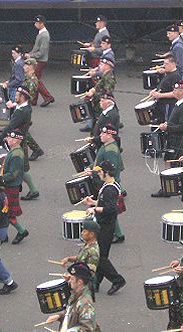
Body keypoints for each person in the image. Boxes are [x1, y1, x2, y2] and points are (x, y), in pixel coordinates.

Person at [84, 161, 126, 295]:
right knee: (101, 256)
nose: (99, 174)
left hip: (106, 226)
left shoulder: (110, 189)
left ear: (106, 173)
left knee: (100, 257)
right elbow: (106, 202)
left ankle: (117, 280)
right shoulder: (109, 186)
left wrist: (94, 209)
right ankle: (96, 282)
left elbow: (111, 209)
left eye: (100, 172)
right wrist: (94, 202)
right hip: (105, 224)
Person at [0, 86, 40, 201]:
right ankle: (33, 190)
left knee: (16, 167)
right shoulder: (24, 107)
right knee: (19, 167)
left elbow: (10, 126)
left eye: (17, 95)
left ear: (23, 97)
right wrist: (12, 106)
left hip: (16, 141)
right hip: (19, 139)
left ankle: (30, 190)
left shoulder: (22, 112)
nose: (15, 97)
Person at [151, 81, 183, 198]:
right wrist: (167, 124)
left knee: (174, 163)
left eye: (175, 90)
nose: (173, 92)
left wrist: (168, 127)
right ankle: (169, 186)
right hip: (174, 138)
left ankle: (170, 188)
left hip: (178, 139)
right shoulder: (180, 104)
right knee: (170, 161)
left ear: (181, 92)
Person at [87, 125, 125, 243]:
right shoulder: (106, 146)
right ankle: (117, 233)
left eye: (103, 134)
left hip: (107, 182)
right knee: (108, 206)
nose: (100, 136)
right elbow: (99, 162)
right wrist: (91, 168)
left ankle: (117, 234)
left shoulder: (111, 150)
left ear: (110, 135)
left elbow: (109, 169)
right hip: (103, 179)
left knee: (109, 208)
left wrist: (93, 173)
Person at [0, 128, 30, 244]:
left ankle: (21, 231)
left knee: (8, 212)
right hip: (9, 185)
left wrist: (1, 178)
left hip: (11, 186)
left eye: (10, 137)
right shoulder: (14, 150)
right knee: (5, 211)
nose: (7, 139)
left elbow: (14, 173)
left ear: (17, 140)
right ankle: (4, 235)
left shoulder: (17, 154)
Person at [45, 263, 101, 331]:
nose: (69, 281)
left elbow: (87, 328)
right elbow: (71, 312)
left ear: (79, 282)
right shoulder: (75, 293)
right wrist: (59, 316)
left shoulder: (85, 303)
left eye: (72, 279)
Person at [24, 15, 54, 107]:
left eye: (37, 23)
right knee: (35, 79)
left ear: (42, 24)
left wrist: (30, 55)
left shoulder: (44, 35)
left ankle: (48, 97)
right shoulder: (42, 33)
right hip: (39, 59)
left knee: (36, 80)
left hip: (40, 60)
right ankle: (33, 99)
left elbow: (42, 51)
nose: (35, 24)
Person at [80, 58, 116, 132]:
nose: (99, 66)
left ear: (107, 66)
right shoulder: (105, 75)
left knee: (100, 120)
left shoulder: (109, 77)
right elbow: (100, 86)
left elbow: (107, 91)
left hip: (102, 101)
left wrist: (94, 93)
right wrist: (93, 90)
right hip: (99, 100)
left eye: (102, 64)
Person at [21, 57, 45, 162]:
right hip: (23, 106)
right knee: (21, 130)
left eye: (26, 65)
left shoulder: (32, 80)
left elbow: (29, 95)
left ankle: (36, 149)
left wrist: (17, 102)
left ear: (31, 67)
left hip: (25, 107)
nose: (24, 67)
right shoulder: (27, 78)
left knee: (22, 131)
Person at [149, 54, 181, 124]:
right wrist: (155, 90)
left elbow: (176, 93)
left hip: (168, 104)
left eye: (166, 64)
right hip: (161, 103)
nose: (164, 65)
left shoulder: (176, 76)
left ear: (173, 64)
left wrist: (159, 95)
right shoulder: (168, 73)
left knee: (166, 123)